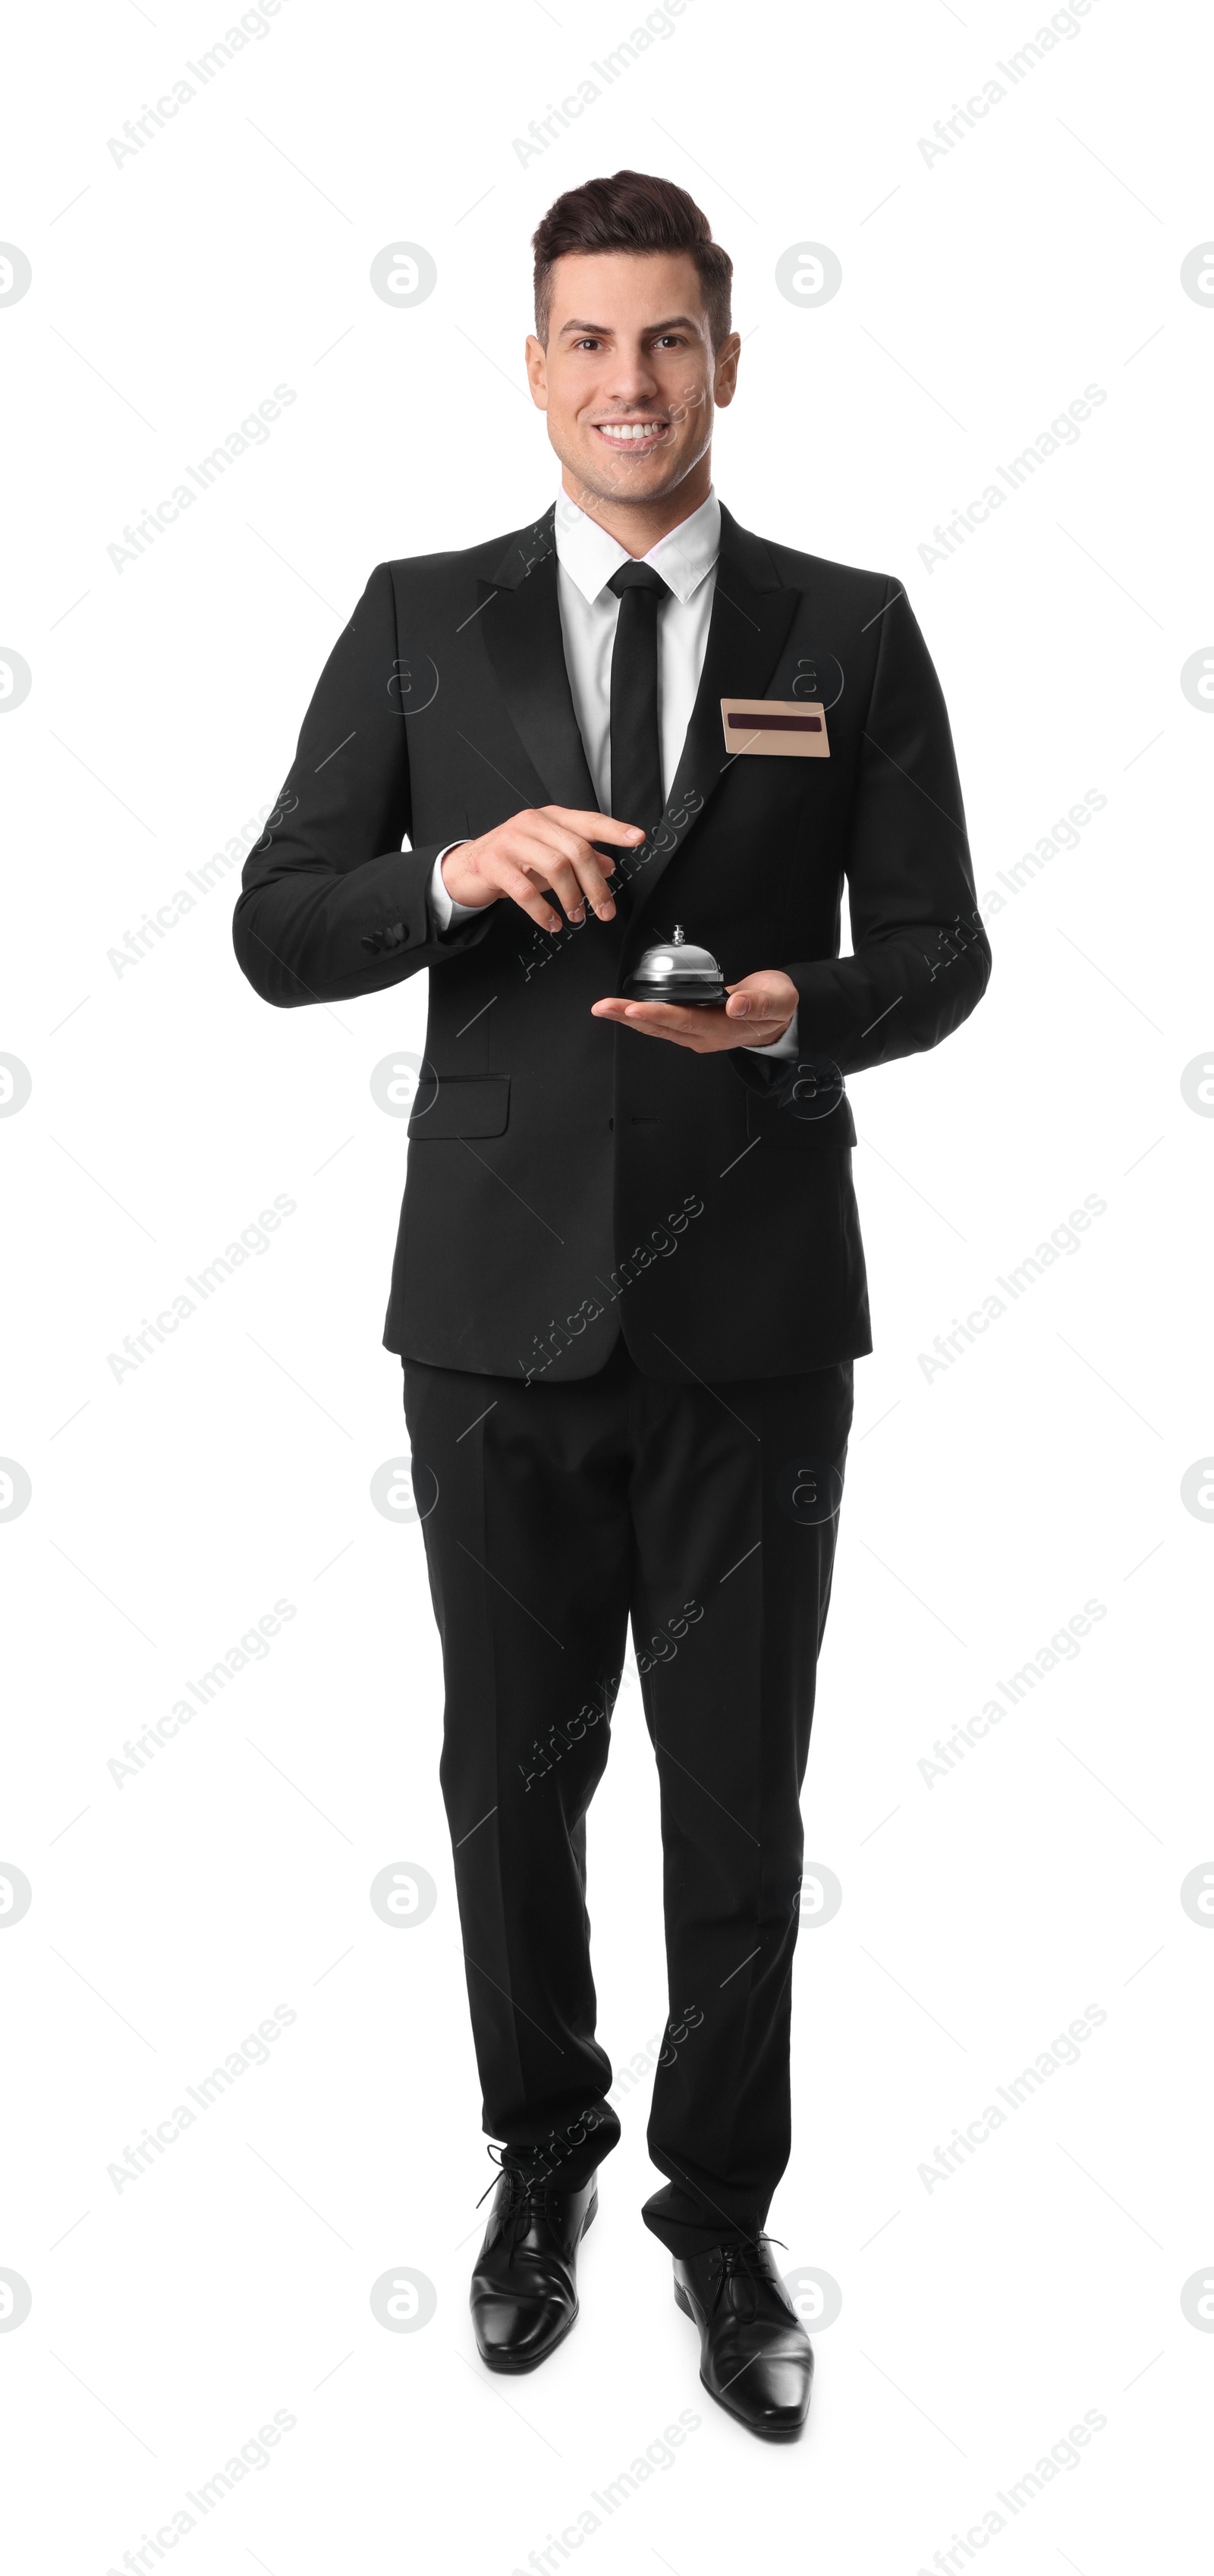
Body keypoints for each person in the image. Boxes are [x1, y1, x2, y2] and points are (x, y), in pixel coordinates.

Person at [233, 168, 990, 2439]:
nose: (630, 382)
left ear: (727, 362)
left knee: (738, 1796)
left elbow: (941, 952)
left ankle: (722, 2208)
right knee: (505, 1781)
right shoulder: (416, 621)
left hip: (756, 1317)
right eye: (589, 340)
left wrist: (790, 1011)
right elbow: (279, 923)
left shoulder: (845, 626)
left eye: (671, 340)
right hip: (487, 1317)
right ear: (534, 361)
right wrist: (448, 874)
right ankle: (540, 2157)